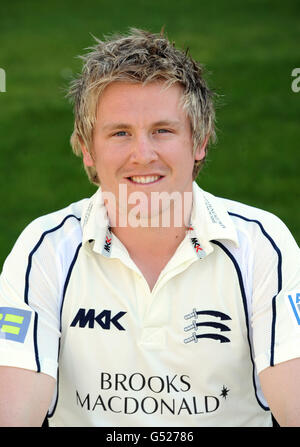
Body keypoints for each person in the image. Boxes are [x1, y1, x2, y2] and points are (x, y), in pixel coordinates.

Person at [0, 28, 300, 428]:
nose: (143, 155)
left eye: (163, 130)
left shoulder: (262, 244)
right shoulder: (45, 249)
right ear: (88, 150)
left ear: (200, 141)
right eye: (120, 133)